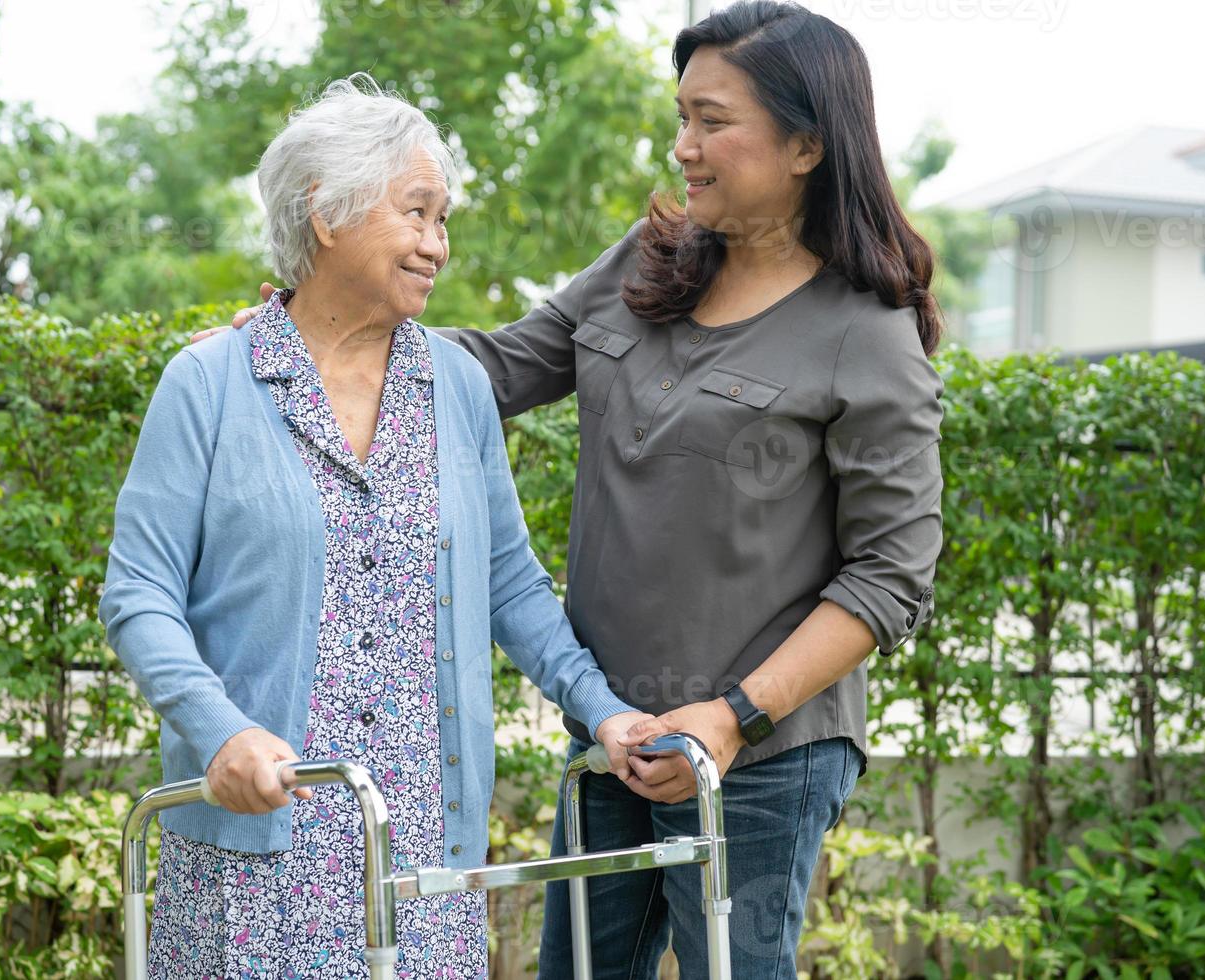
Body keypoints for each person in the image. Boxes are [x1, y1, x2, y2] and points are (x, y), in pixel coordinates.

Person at [211, 3, 945, 975]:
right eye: (681, 116)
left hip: (762, 754)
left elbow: (892, 576)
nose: (684, 147)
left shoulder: (868, 331)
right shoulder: (651, 264)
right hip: (613, 733)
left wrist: (733, 714)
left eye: (712, 121)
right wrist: (319, 331)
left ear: (807, 141)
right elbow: (500, 367)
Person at [100, 74, 650, 979]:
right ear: (326, 212)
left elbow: (510, 586)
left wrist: (606, 713)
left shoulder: (458, 388)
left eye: (444, 221)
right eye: (419, 213)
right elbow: (139, 593)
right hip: (253, 855)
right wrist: (219, 730)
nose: (439, 245)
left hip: (421, 854)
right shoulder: (207, 385)